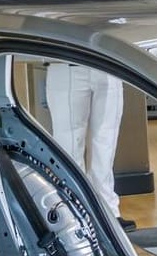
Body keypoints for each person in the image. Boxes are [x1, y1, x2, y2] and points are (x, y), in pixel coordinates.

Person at [44, 61, 134, 231]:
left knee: (105, 143)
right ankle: (74, 209)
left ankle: (108, 211)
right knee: (68, 144)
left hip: (107, 63)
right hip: (64, 63)